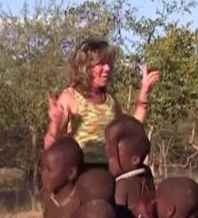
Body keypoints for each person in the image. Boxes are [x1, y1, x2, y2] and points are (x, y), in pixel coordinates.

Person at [45, 38, 161, 168]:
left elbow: (132, 129)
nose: (107, 68)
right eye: (101, 64)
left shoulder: (111, 101)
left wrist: (144, 93)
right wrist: (55, 125)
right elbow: (50, 149)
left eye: (109, 63)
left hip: (109, 174)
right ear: (85, 67)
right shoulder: (69, 97)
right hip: (82, 175)